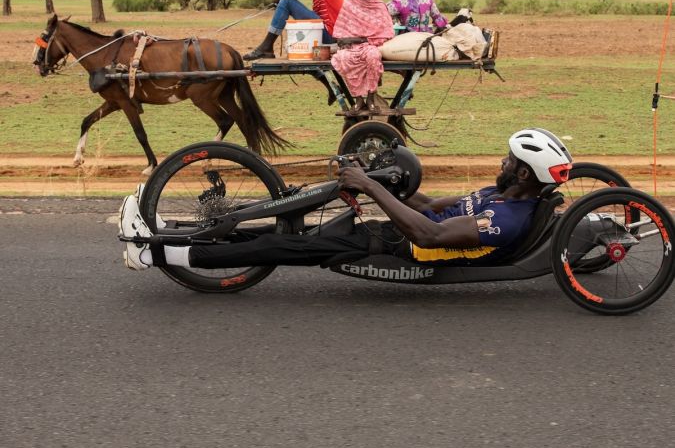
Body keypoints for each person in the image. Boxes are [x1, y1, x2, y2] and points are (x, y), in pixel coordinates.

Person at [119, 129, 573, 271]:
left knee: (277, 249)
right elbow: (431, 207)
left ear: (523, 173)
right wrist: (383, 178)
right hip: (391, 231)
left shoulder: (508, 219)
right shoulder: (499, 193)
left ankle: (152, 256)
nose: (502, 160)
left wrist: (372, 189)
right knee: (262, 231)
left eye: (510, 159)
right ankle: (167, 235)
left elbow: (430, 235)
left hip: (394, 248)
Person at [330, 0, 394, 115]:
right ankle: (358, 100)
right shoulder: (349, 4)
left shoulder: (380, 6)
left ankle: (370, 99)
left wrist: (358, 39)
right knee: (343, 58)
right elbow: (340, 32)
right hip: (350, 47)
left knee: (373, 57)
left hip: (370, 45)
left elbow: (386, 33)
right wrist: (343, 40)